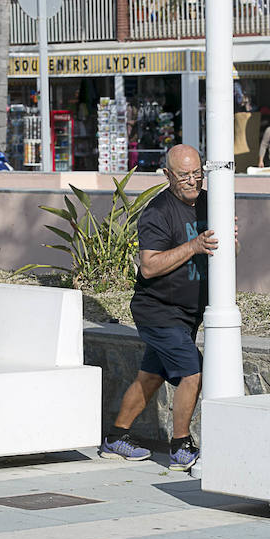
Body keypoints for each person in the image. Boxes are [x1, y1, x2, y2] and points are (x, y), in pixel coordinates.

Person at [100, 144, 219, 472]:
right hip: (158, 311)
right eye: (184, 175)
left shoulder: (211, 201)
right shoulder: (158, 212)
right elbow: (149, 266)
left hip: (188, 312)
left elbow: (220, 247)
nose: (193, 181)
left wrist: (230, 241)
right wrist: (193, 245)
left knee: (150, 377)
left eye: (197, 173)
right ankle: (180, 447)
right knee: (193, 371)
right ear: (167, 175)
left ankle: (116, 438)